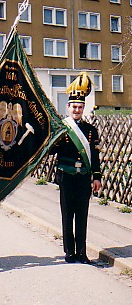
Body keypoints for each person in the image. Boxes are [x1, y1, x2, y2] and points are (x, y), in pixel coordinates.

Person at [50, 72, 101, 264]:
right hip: (66, 177)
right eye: (74, 107)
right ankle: (69, 252)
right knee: (67, 214)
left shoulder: (90, 130)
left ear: (83, 108)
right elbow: (52, 151)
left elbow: (95, 156)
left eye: (80, 107)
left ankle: (82, 252)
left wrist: (97, 177)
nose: (77, 110)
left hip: (83, 178)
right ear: (68, 107)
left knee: (82, 215)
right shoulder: (62, 128)